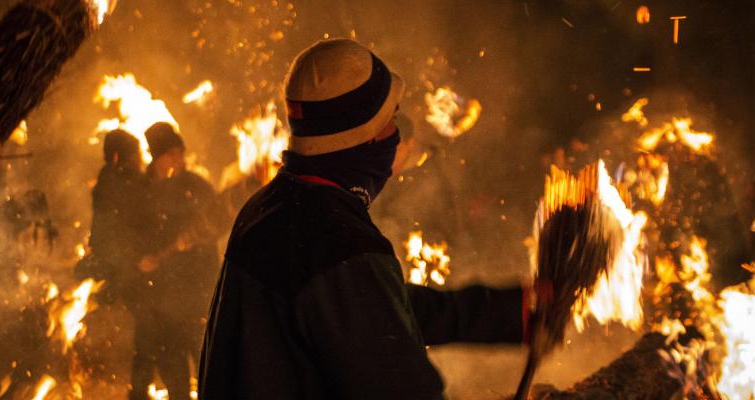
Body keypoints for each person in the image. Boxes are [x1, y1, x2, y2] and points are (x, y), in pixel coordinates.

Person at [199, 39, 547, 399]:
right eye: (390, 121)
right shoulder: (337, 242)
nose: (395, 136)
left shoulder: (271, 206)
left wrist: (512, 311)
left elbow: (377, 309)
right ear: (362, 139)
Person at [131, 122, 227, 400]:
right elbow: (131, 231)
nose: (179, 160)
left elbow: (218, 219)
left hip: (198, 292)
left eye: (180, 153)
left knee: (208, 365)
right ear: (156, 157)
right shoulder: (142, 191)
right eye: (171, 154)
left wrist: (195, 240)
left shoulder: (195, 185)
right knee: (174, 374)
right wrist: (142, 258)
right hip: (161, 298)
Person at [81, 129, 146, 303]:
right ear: (117, 158)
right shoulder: (120, 182)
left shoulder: (107, 176)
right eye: (134, 155)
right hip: (122, 261)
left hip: (115, 257)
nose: (139, 159)